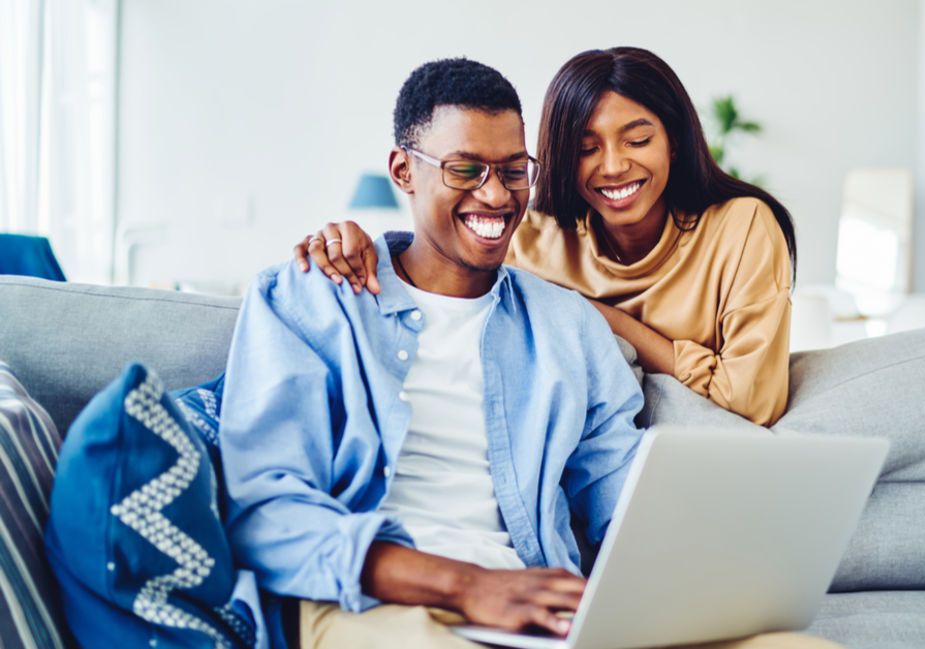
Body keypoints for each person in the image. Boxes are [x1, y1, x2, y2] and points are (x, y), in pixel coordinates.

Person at [219, 58, 647, 648]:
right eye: (464, 169)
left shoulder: (568, 326)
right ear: (404, 171)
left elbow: (627, 501)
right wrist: (467, 586)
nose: (495, 195)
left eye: (513, 171)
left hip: (537, 612)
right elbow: (264, 513)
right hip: (365, 605)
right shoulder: (312, 298)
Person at [297, 47, 796, 427]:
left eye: (638, 140)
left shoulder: (742, 228)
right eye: (586, 148)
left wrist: (604, 319)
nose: (613, 166)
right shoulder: (531, 238)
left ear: (675, 144)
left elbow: (752, 401)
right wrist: (361, 246)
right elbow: (440, 271)